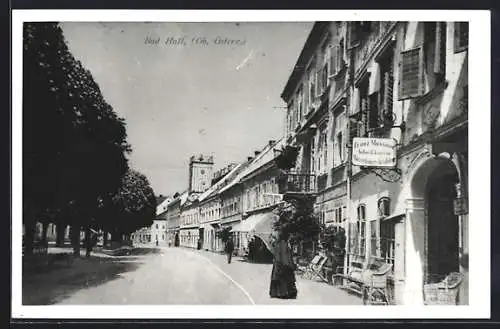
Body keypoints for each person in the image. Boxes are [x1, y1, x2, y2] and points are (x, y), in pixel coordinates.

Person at [269, 231, 297, 299]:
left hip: (281, 263)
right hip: (283, 263)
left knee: (281, 278)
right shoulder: (282, 243)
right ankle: (284, 293)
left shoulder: (280, 243)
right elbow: (283, 255)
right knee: (283, 278)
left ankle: (280, 293)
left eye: (272, 238)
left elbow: (282, 255)